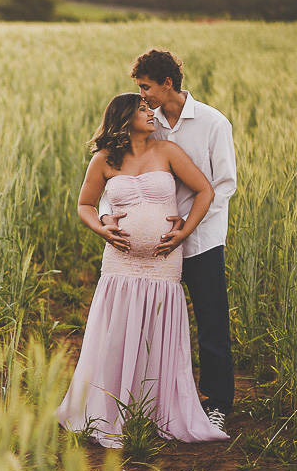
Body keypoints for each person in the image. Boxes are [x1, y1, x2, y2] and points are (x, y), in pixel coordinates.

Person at [56, 93, 228, 448]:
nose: (152, 113)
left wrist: (184, 231)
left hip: (163, 262)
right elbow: (85, 204)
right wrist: (101, 228)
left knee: (157, 329)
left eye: (150, 107)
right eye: (143, 109)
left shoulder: (167, 151)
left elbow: (204, 191)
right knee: (117, 329)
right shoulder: (103, 159)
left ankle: (154, 409)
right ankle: (110, 406)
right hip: (120, 262)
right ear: (124, 118)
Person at [102, 48, 237, 433]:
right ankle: (151, 397)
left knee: (211, 322)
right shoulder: (147, 123)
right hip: (155, 253)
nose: (142, 96)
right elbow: (124, 172)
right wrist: (109, 210)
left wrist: (187, 226)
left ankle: (217, 403)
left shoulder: (213, 123)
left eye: (146, 88)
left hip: (203, 240)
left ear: (168, 83)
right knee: (154, 322)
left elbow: (223, 186)